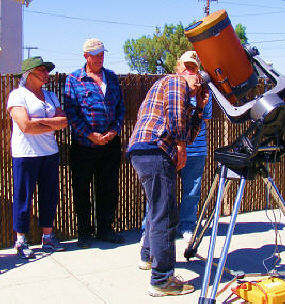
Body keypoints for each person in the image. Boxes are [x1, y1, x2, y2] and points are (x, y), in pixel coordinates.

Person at [127, 51, 209, 297]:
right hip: (156, 150)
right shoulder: (175, 81)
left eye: (195, 70)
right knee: (166, 216)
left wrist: (199, 108)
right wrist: (181, 148)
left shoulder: (180, 93)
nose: (193, 74)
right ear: (179, 68)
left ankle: (148, 257)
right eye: (188, 68)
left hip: (145, 151)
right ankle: (162, 280)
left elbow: (190, 130)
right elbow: (175, 119)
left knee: (157, 209)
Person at [64, 38, 125, 249]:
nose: (99, 58)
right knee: (81, 189)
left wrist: (114, 130)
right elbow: (71, 113)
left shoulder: (112, 78)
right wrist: (90, 135)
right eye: (95, 55)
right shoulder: (73, 79)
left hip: (110, 144)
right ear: (85, 56)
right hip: (84, 146)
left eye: (102, 54)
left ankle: (105, 229)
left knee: (108, 188)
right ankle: (84, 233)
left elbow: (120, 108)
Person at [7, 56, 67, 259]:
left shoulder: (50, 96)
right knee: (23, 196)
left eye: (46, 70)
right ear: (28, 74)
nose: (46, 74)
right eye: (41, 70)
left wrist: (39, 120)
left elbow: (63, 121)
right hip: (26, 154)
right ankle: (21, 240)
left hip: (50, 153)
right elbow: (25, 126)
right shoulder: (17, 96)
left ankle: (48, 237)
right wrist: (50, 122)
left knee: (49, 195)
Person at [176, 51, 213, 242]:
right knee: (162, 191)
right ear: (178, 66)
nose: (189, 69)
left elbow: (206, 115)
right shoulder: (171, 86)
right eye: (186, 65)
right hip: (172, 148)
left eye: (193, 66)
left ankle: (187, 226)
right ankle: (153, 229)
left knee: (192, 191)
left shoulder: (204, 89)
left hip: (196, 148)